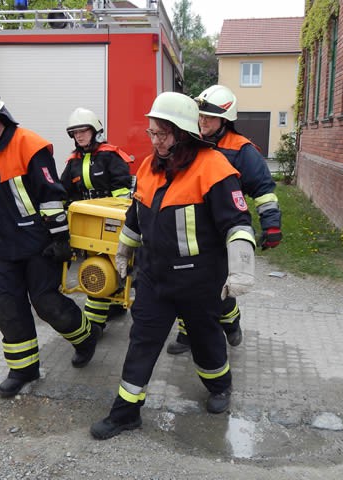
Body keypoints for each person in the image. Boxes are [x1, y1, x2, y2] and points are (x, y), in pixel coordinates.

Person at [90, 92, 257, 440]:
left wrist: (241, 268)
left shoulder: (214, 169)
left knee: (205, 339)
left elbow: (237, 223)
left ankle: (220, 386)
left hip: (199, 280)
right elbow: (135, 216)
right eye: (152, 132)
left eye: (162, 134)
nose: (155, 141)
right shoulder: (148, 167)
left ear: (183, 133)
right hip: (154, 277)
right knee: (142, 340)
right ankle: (125, 413)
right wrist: (124, 250)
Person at [0, 84, 101, 398]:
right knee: (8, 308)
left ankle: (86, 337)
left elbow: (51, 196)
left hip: (38, 244)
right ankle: (24, 369)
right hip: (4, 245)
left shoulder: (30, 146)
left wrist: (61, 239)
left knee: (47, 304)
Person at [165, 84, 283, 355]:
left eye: (210, 117)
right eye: (201, 115)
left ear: (225, 120)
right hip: (191, 227)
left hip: (224, 228)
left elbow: (263, 190)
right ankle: (187, 332)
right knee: (186, 282)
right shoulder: (189, 142)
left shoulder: (242, 151)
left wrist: (271, 225)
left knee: (216, 285)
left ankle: (230, 322)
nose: (203, 121)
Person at [61, 107, 133, 331]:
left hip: (112, 222)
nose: (79, 136)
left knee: (111, 266)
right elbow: (63, 191)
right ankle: (104, 315)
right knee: (99, 267)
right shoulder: (73, 162)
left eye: (83, 131)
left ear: (95, 132)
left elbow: (123, 193)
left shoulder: (110, 156)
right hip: (89, 225)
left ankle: (100, 319)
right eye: (75, 133)